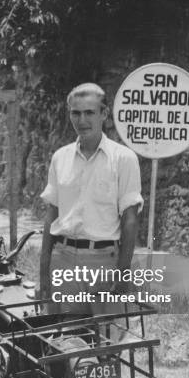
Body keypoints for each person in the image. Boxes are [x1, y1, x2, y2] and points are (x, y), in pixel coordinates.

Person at [39, 83, 143, 314]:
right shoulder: (60, 158)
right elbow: (51, 215)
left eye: (89, 112)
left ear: (104, 114)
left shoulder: (123, 159)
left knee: (106, 341)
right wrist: (44, 271)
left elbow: (130, 220)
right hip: (63, 259)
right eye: (76, 113)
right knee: (63, 340)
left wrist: (123, 274)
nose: (82, 120)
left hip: (103, 261)